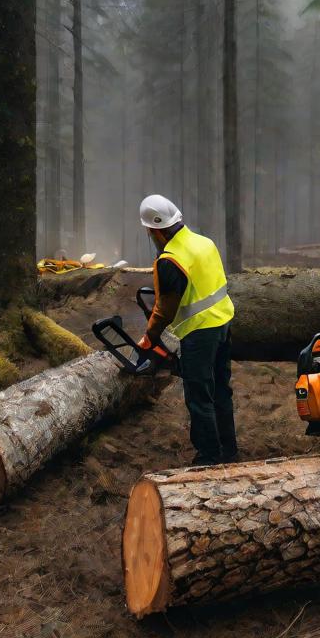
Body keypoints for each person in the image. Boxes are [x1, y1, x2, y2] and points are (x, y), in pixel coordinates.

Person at [138, 194, 239, 466]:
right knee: (220, 390)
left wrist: (150, 336)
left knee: (199, 395)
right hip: (223, 323)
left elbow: (165, 309)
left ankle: (209, 456)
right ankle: (228, 449)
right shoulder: (205, 243)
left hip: (199, 333)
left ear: (154, 230)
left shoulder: (170, 260)